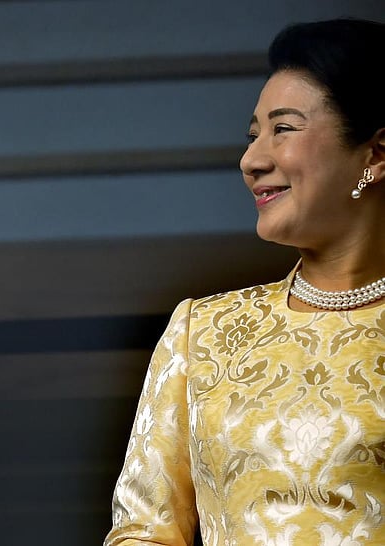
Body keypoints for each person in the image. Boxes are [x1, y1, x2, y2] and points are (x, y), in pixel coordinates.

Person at [105, 18, 385, 546]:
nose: (252, 160)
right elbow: (143, 532)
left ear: (375, 154)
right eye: (253, 135)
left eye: (283, 128)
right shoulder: (203, 332)